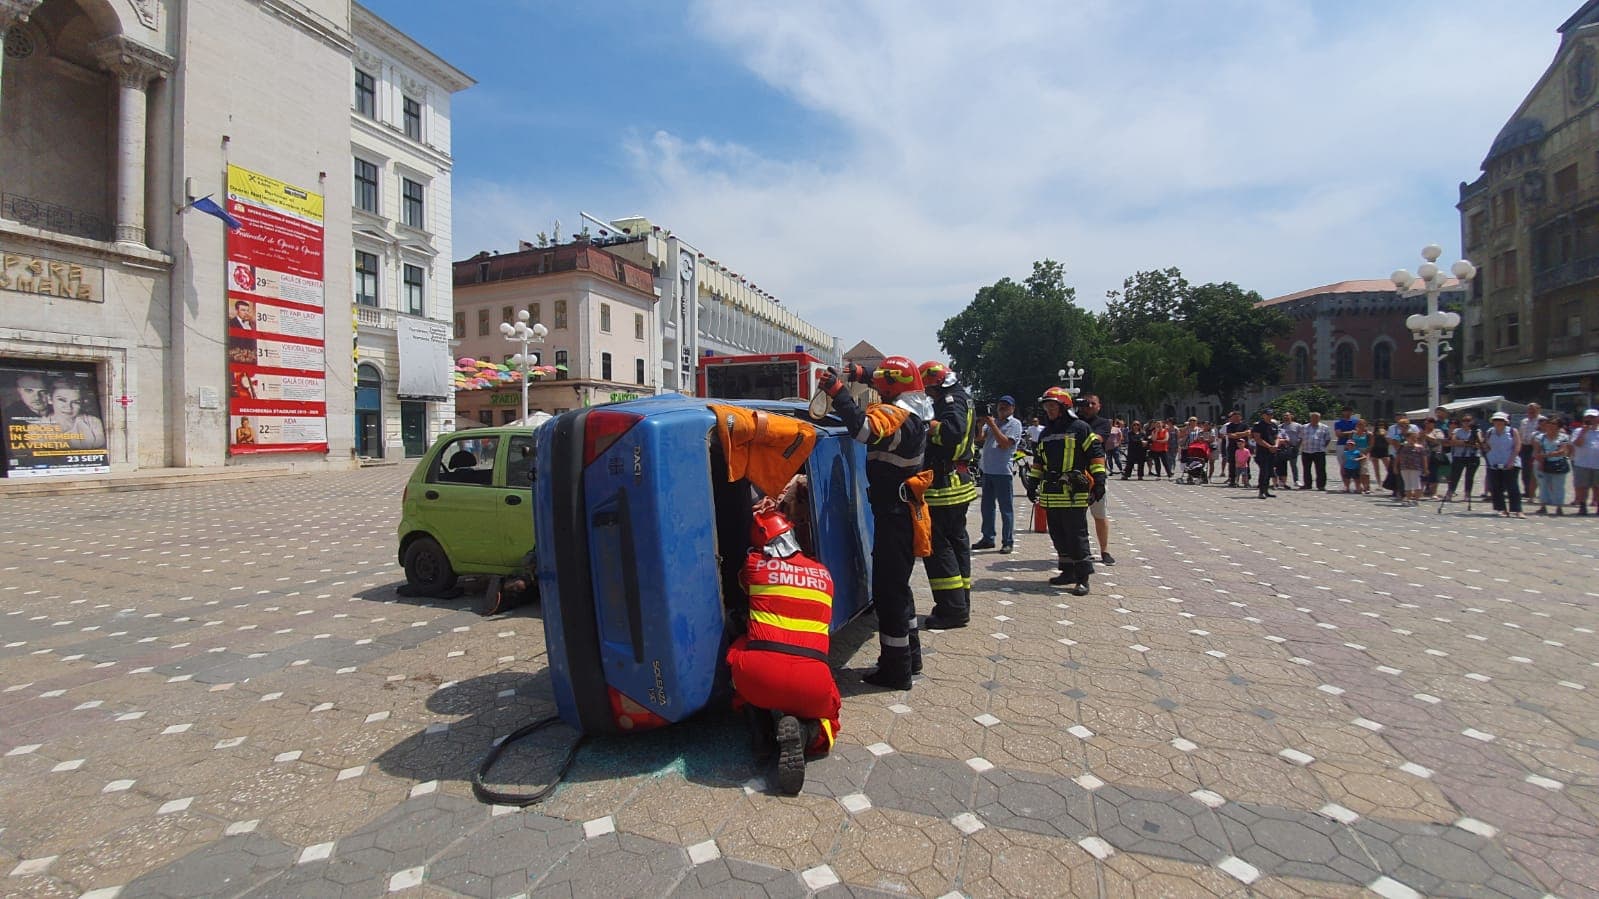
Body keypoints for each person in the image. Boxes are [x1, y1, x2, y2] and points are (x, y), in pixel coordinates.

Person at [817, 356, 929, 690]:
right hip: (900, 511)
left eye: (881, 383)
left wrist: (839, 392)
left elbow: (863, 429)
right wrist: (860, 373)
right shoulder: (915, 410)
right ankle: (910, 658)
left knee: (888, 592)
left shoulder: (897, 416)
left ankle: (896, 671)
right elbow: (887, 381)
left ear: (893, 386)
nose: (877, 386)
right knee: (899, 588)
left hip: (894, 515)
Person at [726, 505, 842, 796]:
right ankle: (806, 733)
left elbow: (741, 586)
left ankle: (761, 729)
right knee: (831, 719)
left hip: (759, 676)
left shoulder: (754, 564)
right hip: (812, 681)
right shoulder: (824, 574)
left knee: (739, 647)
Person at [1027, 387, 1106, 596]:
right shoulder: (1045, 433)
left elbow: (1096, 455)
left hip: (1073, 491)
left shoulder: (1080, 428)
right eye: (1046, 406)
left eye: (1052, 406)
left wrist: (1099, 481)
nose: (1049, 410)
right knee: (1058, 534)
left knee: (1076, 535)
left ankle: (1083, 577)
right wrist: (1032, 483)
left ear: (1064, 407)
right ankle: (1067, 571)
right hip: (1051, 492)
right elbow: (1038, 461)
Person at [917, 361, 977, 630]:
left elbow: (952, 432)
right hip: (956, 483)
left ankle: (951, 611)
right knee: (957, 544)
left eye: (928, 389)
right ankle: (960, 604)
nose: (927, 394)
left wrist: (926, 425)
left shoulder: (952, 400)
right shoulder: (963, 397)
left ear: (937, 384)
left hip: (944, 487)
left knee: (939, 548)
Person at [973, 395, 1022, 554]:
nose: (1002, 407)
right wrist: (980, 424)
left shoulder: (1014, 424)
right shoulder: (993, 422)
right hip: (987, 471)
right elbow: (979, 439)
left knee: (1006, 509)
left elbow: (1005, 443)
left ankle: (1008, 541)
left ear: (1012, 408)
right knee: (987, 508)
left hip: (1002, 472)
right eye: (1001, 404)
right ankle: (988, 538)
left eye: (1006, 405)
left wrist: (992, 424)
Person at [1078, 394, 1116, 564]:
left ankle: (1104, 550)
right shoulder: (1074, 420)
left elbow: (1097, 439)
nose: (1089, 406)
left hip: (1095, 473)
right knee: (1076, 517)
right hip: (1076, 473)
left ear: (1099, 406)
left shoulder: (1103, 423)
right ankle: (1080, 550)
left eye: (1093, 404)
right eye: (1086, 404)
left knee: (1100, 514)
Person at [1484, 411, 1525, 519]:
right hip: (1494, 462)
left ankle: (1517, 510)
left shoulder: (1512, 431)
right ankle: (1501, 509)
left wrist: (1511, 460)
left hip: (1510, 461)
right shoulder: (1490, 432)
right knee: (1496, 487)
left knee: (1512, 487)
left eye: (1500, 420)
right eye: (1496, 420)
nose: (1498, 422)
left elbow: (1517, 446)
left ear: (1505, 421)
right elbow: (1487, 445)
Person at [45, 380, 106, 450]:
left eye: (76, 402)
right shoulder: (38, 427)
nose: (68, 407)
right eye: (62, 400)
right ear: (50, 399)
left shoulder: (93, 423)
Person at [1532, 417, 1573, 516]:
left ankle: (1559, 507)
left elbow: (1562, 451)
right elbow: (1536, 452)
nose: (1550, 425)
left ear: (1559, 426)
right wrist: (1543, 459)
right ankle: (1543, 506)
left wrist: (1546, 455)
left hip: (1559, 464)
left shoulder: (1564, 437)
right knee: (1543, 485)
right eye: (1549, 423)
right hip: (1542, 464)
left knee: (1559, 486)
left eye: (1553, 423)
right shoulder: (1540, 437)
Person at [1445, 413, 1483, 503]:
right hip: (1459, 456)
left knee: (1469, 477)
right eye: (1464, 420)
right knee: (1455, 476)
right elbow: (1453, 441)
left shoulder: (1476, 431)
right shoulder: (1457, 430)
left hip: (1472, 456)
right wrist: (1467, 443)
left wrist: (1462, 442)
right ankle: (1450, 492)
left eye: (1468, 420)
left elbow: (1479, 443)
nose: (1466, 422)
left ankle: (1467, 494)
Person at [1518, 403, 1546, 503]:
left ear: (1538, 409)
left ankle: (1537, 491)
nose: (1531, 411)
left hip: (1536, 447)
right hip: (1524, 446)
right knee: (1525, 470)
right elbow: (1521, 433)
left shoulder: (1542, 420)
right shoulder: (1524, 421)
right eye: (1529, 409)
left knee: (1535, 470)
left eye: (1533, 409)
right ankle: (1527, 491)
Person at [1572, 410, 1599, 515]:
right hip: (1582, 463)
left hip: (1597, 464)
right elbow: (1578, 444)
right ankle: (1582, 506)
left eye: (1593, 417)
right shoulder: (1578, 431)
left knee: (1597, 487)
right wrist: (1584, 432)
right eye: (1588, 417)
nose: (1590, 419)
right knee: (1582, 486)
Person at [1251, 408, 1281, 498]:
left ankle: (1266, 490)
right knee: (1264, 471)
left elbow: (1277, 437)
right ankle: (1261, 491)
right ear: (1263, 415)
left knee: (1270, 471)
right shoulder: (1258, 425)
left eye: (1271, 414)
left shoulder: (1274, 425)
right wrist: (1269, 446)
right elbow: (1258, 439)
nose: (1270, 416)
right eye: (1268, 415)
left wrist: (1276, 445)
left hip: (1272, 451)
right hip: (1263, 451)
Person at [1300, 412, 1332, 490]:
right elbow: (1300, 437)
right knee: (1306, 469)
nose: (1314, 419)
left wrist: (1323, 446)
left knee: (1321, 469)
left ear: (1319, 418)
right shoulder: (1304, 427)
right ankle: (1307, 484)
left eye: (1316, 418)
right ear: (1310, 418)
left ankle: (1321, 485)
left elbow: (1328, 439)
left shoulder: (1325, 427)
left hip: (1319, 451)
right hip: (1306, 451)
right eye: (1313, 417)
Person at [1396, 430, 1429, 506]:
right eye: (1412, 437)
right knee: (1407, 484)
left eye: (1415, 438)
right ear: (1407, 438)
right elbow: (1398, 457)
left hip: (1416, 467)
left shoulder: (1420, 447)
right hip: (1404, 467)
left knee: (1416, 483)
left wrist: (1425, 468)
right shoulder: (1402, 447)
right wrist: (1395, 466)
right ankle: (1408, 499)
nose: (1414, 439)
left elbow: (1424, 458)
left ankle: (1416, 500)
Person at [1277, 411, 1303, 490]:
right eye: (1284, 416)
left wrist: (1298, 446)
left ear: (1291, 416)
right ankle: (1282, 481)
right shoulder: (1280, 426)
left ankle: (1296, 480)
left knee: (1293, 465)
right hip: (1283, 448)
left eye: (1287, 416)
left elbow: (1301, 436)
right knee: (1282, 465)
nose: (1286, 417)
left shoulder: (1298, 426)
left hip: (1293, 447)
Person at [1222, 411, 1250, 486]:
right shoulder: (1229, 426)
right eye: (1234, 417)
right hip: (1232, 447)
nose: (1236, 418)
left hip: (1244, 448)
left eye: (1237, 417)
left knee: (1246, 464)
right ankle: (1232, 480)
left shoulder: (1245, 425)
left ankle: (1246, 481)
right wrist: (1242, 434)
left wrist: (1237, 434)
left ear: (1240, 417)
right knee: (1232, 464)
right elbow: (1231, 435)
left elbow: (1248, 433)